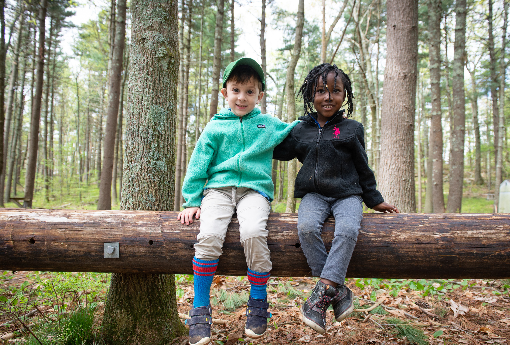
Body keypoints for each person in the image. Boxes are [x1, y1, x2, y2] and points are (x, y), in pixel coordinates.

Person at [178, 57, 299, 345]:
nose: (241, 98)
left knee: (254, 232)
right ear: (225, 93)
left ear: (260, 96)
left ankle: (258, 302)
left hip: (254, 192)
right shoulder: (215, 127)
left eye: (249, 92)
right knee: (208, 236)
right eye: (235, 90)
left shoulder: (267, 124)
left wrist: (327, 123)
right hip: (218, 191)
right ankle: (200, 307)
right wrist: (191, 200)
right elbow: (198, 164)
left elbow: (296, 129)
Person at [273, 63, 399, 334]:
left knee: (348, 229)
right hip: (314, 195)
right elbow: (276, 149)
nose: (327, 97)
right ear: (311, 94)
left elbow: (363, 167)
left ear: (345, 96)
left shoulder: (352, 129)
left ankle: (319, 297)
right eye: (320, 91)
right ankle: (337, 290)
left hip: (348, 195)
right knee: (306, 228)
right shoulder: (300, 130)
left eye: (335, 91)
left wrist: (374, 199)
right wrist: (254, 134)